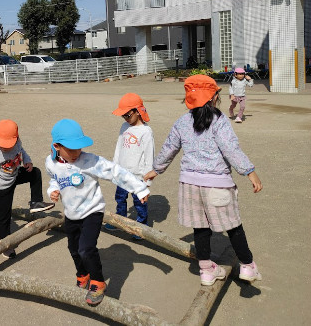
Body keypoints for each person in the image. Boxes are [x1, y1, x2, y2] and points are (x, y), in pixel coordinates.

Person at [145, 75, 263, 286]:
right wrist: (249, 171)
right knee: (233, 226)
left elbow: (169, 148)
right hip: (217, 184)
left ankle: (207, 270)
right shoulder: (219, 121)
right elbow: (231, 149)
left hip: (189, 185)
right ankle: (247, 266)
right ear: (214, 97)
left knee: (200, 228)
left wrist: (156, 169)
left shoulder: (182, 122)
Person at [46, 119, 150, 306]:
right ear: (57, 146)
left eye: (79, 147)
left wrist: (139, 188)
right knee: (74, 249)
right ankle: (83, 274)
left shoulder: (89, 161)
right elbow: (54, 179)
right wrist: (52, 190)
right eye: (72, 149)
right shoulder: (51, 163)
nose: (77, 153)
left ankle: (98, 281)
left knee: (86, 248)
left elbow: (115, 172)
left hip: (92, 211)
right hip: (71, 213)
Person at [0, 119, 55, 258]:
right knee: (4, 216)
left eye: (8, 145)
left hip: (14, 175)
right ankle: (5, 245)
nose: (5, 148)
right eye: (3, 145)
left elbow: (22, 151)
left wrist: (28, 161)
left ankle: (36, 202)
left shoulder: (17, 143)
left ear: (16, 138)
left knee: (35, 172)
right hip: (1, 188)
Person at [104, 93, 154, 239]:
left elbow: (149, 155)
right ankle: (120, 221)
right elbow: (119, 147)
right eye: (123, 116)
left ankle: (141, 226)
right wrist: (114, 167)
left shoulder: (146, 131)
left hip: (138, 176)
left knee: (139, 203)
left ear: (138, 112)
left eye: (127, 115)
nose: (125, 118)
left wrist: (148, 180)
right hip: (122, 173)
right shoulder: (124, 127)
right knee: (120, 198)